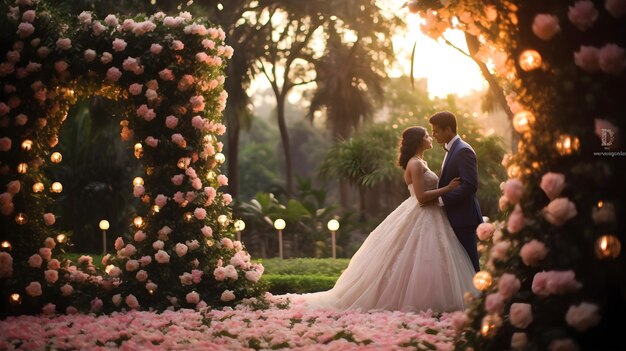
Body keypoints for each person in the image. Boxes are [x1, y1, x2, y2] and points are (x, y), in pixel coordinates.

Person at [289, 126, 477, 312]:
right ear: (418, 141)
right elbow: (421, 197)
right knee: (419, 255)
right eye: (427, 135)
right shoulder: (416, 164)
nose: (431, 137)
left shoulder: (420, 161)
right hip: (423, 211)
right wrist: (448, 189)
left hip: (431, 212)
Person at [429, 111, 483, 272]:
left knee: (471, 267)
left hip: (463, 218)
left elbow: (470, 186)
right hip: (454, 217)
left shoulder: (463, 150)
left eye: (436, 131)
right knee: (460, 269)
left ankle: (480, 297)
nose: (433, 135)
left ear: (448, 129)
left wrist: (442, 199)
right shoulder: (451, 149)